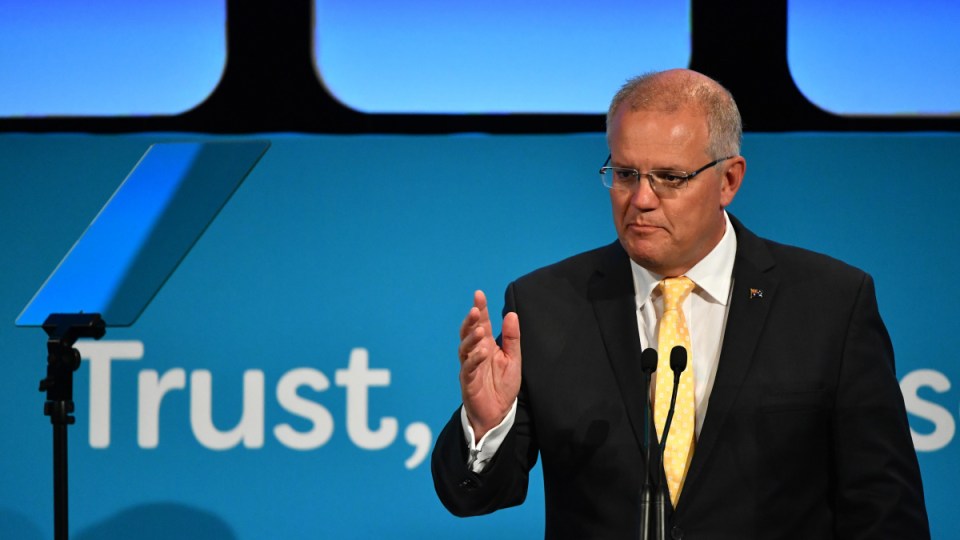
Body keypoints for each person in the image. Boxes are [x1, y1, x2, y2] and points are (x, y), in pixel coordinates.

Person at [431, 69, 929, 539]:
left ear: (729, 180)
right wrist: (486, 425)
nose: (641, 199)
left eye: (669, 177)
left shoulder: (829, 304)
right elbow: (473, 497)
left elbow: (884, 507)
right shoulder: (546, 305)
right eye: (625, 173)